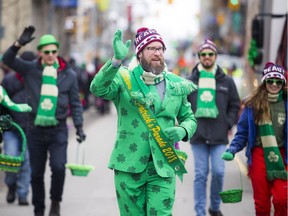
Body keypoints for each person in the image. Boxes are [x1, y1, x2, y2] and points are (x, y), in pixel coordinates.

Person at [90, 27, 197, 215]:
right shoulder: (124, 78)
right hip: (129, 166)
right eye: (151, 48)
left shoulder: (176, 83)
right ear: (139, 53)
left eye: (160, 49)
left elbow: (189, 118)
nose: (157, 53)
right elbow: (97, 89)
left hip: (163, 166)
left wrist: (183, 130)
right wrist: (115, 62)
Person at [2, 26, 86, 216]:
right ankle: (39, 209)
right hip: (35, 129)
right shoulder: (30, 69)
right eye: (46, 52)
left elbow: (75, 102)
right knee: (36, 173)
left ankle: (55, 202)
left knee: (58, 168)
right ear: (40, 53)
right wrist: (18, 44)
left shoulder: (69, 74)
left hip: (58, 130)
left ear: (57, 52)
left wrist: (79, 126)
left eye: (53, 51)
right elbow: (6, 60)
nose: (50, 55)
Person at [221, 62, 287, 216]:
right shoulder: (252, 105)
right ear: (264, 82)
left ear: (283, 83)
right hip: (259, 157)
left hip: (283, 157)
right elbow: (242, 133)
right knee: (262, 205)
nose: (274, 84)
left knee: (282, 200)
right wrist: (233, 149)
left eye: (278, 81)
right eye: (271, 81)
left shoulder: (286, 103)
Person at [187, 38, 240, 216]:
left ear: (215, 56)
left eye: (210, 54)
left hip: (219, 135)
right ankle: (200, 212)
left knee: (218, 172)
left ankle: (215, 207)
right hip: (198, 134)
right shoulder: (190, 81)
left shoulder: (227, 81)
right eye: (204, 54)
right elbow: (182, 106)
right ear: (199, 56)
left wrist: (228, 121)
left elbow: (235, 104)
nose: (207, 57)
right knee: (201, 174)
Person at [1, 51, 36, 206]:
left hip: (30, 130)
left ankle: (23, 193)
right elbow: (1, 103)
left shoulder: (37, 81)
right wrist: (3, 121)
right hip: (12, 129)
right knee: (10, 159)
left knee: (26, 162)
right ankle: (11, 185)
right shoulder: (8, 81)